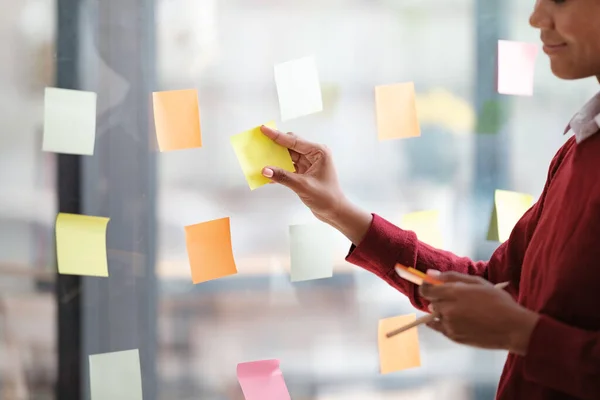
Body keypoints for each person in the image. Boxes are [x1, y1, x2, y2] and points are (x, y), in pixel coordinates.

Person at [258, 0, 600, 399]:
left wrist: (523, 334)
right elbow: (496, 283)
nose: (536, 18)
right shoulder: (579, 149)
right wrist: (339, 211)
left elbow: (508, 306)